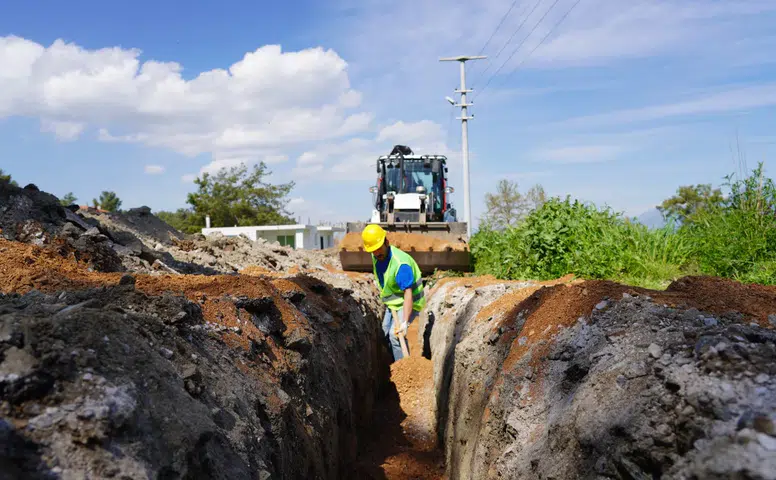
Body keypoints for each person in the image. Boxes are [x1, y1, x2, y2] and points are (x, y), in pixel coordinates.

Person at [361, 224, 426, 362]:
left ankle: (403, 368)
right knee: (384, 334)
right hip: (394, 301)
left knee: (395, 335)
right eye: (373, 250)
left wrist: (405, 322)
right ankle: (391, 363)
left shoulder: (401, 264)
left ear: (386, 242)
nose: (377, 253)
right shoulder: (376, 255)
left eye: (379, 248)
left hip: (409, 300)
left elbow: (408, 293)